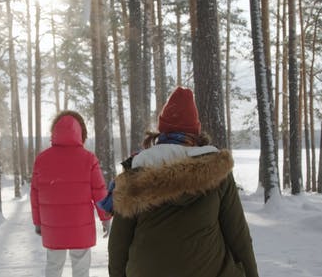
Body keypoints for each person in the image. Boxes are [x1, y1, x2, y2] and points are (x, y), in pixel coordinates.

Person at [107, 87, 259, 277]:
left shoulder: (135, 174)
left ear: (162, 130)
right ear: (195, 132)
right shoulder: (216, 172)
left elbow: (118, 243)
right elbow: (239, 236)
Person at [30, 110, 111, 277]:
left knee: (53, 266)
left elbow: (35, 195)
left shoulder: (42, 159)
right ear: (80, 132)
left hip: (53, 225)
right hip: (80, 225)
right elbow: (99, 191)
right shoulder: (88, 159)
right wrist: (106, 218)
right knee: (81, 269)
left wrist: (38, 222)